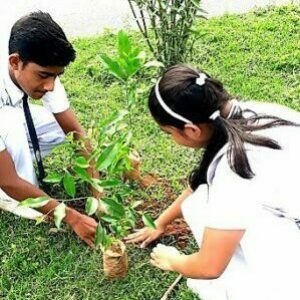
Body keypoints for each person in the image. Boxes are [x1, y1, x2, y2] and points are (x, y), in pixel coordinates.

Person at [125, 64, 300, 300]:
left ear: (192, 130)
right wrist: (161, 222)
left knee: (200, 209)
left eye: (169, 133)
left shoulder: (235, 172)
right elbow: (201, 182)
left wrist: (173, 260)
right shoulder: (256, 112)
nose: (171, 139)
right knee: (200, 202)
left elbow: (209, 267)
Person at [0, 11, 103, 247]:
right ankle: (11, 199)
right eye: (44, 75)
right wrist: (71, 217)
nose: (50, 85)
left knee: (54, 125)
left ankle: (15, 163)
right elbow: (7, 179)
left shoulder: (44, 73)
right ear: (15, 62)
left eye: (57, 76)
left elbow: (75, 132)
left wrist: (98, 192)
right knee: (9, 123)